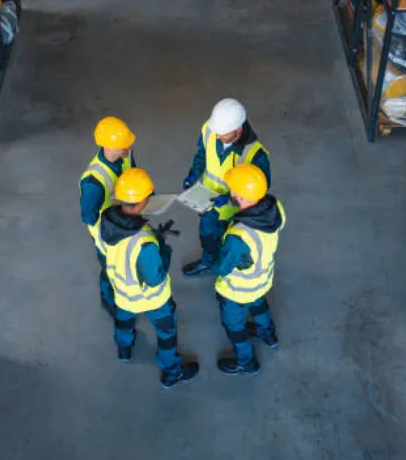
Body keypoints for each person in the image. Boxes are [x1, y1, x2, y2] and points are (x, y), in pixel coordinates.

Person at [98, 168, 200, 389]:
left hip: (123, 295)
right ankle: (171, 372)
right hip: (153, 300)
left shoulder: (108, 223)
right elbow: (155, 277)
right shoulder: (145, 243)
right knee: (167, 333)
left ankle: (124, 349)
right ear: (143, 201)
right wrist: (162, 246)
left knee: (123, 322)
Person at [205, 164, 285, 375]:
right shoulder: (275, 209)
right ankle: (268, 335)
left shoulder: (239, 237)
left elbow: (220, 267)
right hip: (262, 281)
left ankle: (246, 361)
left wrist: (211, 248)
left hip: (237, 292)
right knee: (259, 307)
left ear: (238, 195)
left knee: (234, 326)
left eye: (231, 189)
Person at [181, 98, 271, 277]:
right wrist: (194, 173)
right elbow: (202, 154)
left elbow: (260, 189)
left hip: (237, 213)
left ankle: (229, 272)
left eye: (224, 134)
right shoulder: (210, 129)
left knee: (232, 245)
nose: (218, 136)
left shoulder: (254, 154)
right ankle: (208, 262)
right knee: (207, 236)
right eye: (217, 132)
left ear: (239, 129)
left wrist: (229, 199)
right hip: (209, 204)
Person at [80, 117, 136, 317]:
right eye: (124, 145)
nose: (128, 148)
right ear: (109, 147)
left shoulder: (125, 154)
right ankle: (108, 300)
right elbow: (89, 218)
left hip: (126, 222)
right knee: (110, 269)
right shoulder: (93, 182)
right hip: (107, 234)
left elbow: (133, 175)